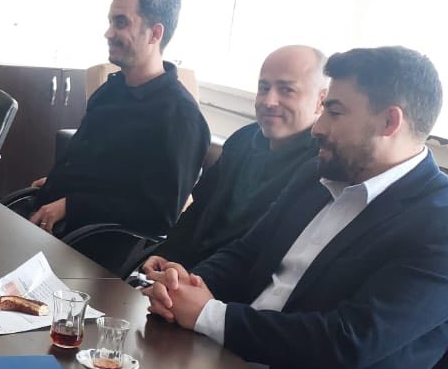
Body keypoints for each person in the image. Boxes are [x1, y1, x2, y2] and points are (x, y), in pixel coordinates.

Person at [142, 46, 448, 369]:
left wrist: (209, 315)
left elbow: (346, 341)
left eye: (335, 112)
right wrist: (187, 284)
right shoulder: (319, 173)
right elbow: (247, 252)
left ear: (389, 122)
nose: (318, 127)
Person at [23, 0, 208, 240]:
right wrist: (57, 183)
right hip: (52, 224)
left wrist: (72, 205)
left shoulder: (180, 116)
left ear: (155, 34)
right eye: (110, 22)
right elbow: (98, 172)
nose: (108, 33)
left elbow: (158, 215)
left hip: (92, 245)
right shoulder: (111, 91)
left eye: (121, 23)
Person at [138, 45, 327, 276]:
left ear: (321, 101)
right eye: (263, 88)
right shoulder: (242, 140)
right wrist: (167, 254)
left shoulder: (321, 167)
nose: (269, 101)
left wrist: (196, 284)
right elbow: (199, 208)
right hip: (182, 273)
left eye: (287, 90)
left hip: (231, 287)